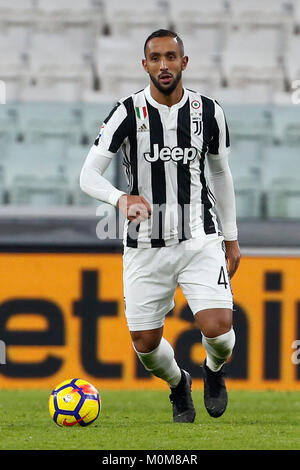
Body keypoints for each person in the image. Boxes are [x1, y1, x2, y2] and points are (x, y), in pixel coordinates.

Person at [80, 29, 241, 423]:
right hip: (144, 245)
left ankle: (213, 371)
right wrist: (120, 198)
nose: (164, 65)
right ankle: (178, 384)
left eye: (171, 57)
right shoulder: (126, 112)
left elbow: (221, 175)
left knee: (219, 332)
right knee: (146, 346)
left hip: (199, 237)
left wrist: (231, 238)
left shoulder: (209, 111)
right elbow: (88, 175)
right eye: (156, 58)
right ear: (145, 64)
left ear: (184, 62)